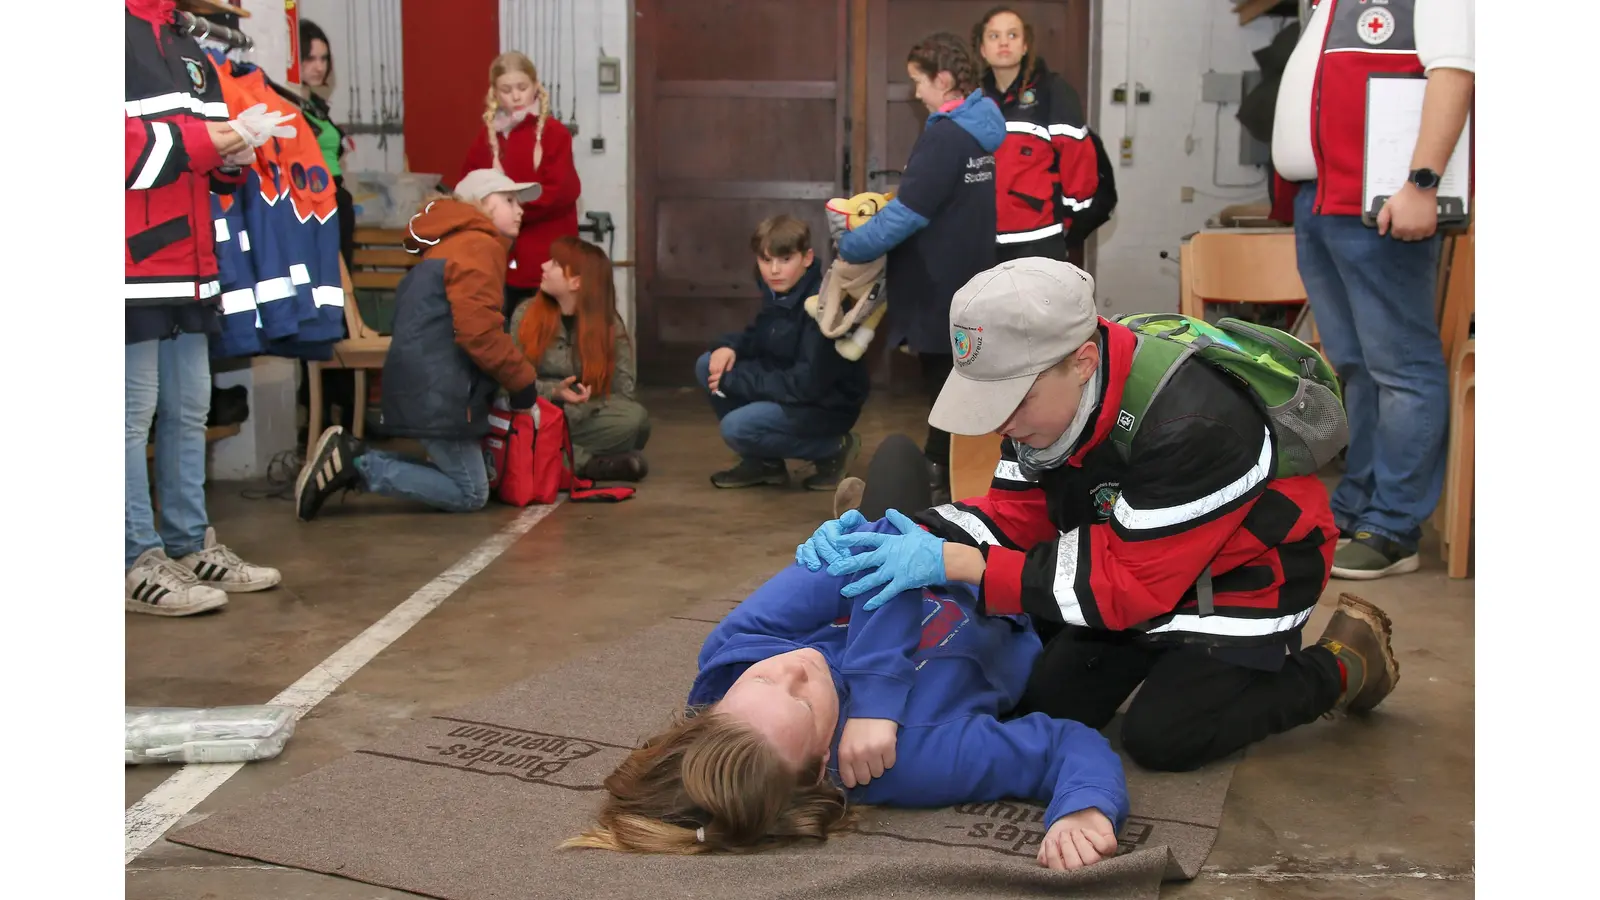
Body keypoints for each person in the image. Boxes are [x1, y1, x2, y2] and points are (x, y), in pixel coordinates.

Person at [796, 258, 1400, 773]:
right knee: (1044, 711)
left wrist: (958, 562)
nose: (1001, 424)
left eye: (1014, 400)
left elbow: (1128, 588)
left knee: (1163, 738)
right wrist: (909, 533)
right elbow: (1017, 514)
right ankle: (1157, 659)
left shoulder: (1195, 423)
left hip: (1249, 575)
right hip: (1133, 552)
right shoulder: (1044, 398)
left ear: (1083, 362)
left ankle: (1344, 663)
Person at [564, 446, 1129, 871]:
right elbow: (1061, 745)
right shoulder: (914, 761)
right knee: (1110, 613)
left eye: (763, 679)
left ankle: (863, 513)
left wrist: (876, 694)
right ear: (818, 766)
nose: (796, 666)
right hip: (1025, 622)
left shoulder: (733, 655)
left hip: (940, 555)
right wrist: (1083, 808)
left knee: (895, 465)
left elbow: (882, 548)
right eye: (802, 702)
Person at [1269, 0, 1473, 580]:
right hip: (1321, 201)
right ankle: (1357, 504)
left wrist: (1422, 183)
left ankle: (1393, 527)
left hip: (1380, 202)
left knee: (1401, 370)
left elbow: (1455, 74)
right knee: (1356, 369)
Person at [125, 0, 283, 616]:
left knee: (189, 409)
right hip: (127, 264)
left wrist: (233, 160)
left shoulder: (189, 45)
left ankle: (187, 545)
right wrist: (207, 143)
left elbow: (208, 154)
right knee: (130, 417)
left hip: (190, 264)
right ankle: (132, 558)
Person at [294, 170, 547, 520]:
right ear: (480, 205)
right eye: (509, 200)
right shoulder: (478, 245)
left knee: (465, 478)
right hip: (441, 387)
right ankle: (357, 465)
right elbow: (479, 332)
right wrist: (523, 383)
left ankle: (352, 458)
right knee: (470, 491)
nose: (520, 210)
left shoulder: (450, 243)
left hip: (425, 379)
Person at [835, 32, 1004, 507]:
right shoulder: (978, 129)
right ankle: (941, 474)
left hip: (938, 287)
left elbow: (910, 213)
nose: (914, 92)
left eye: (918, 81)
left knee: (948, 388)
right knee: (954, 387)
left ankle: (951, 490)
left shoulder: (945, 135)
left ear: (943, 79)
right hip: (966, 279)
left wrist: (853, 245)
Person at [698, 215, 870, 491]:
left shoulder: (822, 305)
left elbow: (806, 385)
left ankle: (833, 448)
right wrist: (727, 346)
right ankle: (764, 465)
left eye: (785, 259)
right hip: (792, 388)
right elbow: (759, 337)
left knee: (737, 428)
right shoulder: (781, 292)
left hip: (825, 406)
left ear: (806, 257)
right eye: (766, 260)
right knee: (709, 363)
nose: (774, 270)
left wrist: (737, 380)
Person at [510, 236, 651, 482]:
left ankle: (550, 458)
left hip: (582, 417)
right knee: (516, 425)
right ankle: (587, 463)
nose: (543, 266)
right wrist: (555, 392)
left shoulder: (609, 323)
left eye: (554, 263)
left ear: (576, 282)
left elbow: (623, 390)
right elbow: (510, 382)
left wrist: (582, 407)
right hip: (537, 411)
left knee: (636, 421)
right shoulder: (526, 314)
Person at [972, 6, 1100, 262]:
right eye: (994, 36)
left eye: (1012, 35)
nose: (1004, 43)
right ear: (983, 50)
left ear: (1025, 45)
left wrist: (1071, 219)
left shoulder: (1052, 91)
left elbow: (1078, 161)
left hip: (1036, 242)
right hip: (980, 240)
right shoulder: (973, 99)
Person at [460, 52, 582, 314]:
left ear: (536, 86)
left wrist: (507, 211)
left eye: (522, 88)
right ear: (494, 93)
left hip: (548, 262)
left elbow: (559, 192)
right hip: (501, 262)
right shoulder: (488, 137)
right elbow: (469, 189)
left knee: (547, 342)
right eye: (506, 90)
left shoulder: (554, 134)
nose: (515, 97)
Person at [297, 18, 353, 269]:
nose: (319, 66)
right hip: (315, 200)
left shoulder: (314, 105)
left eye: (324, 58)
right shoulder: (291, 105)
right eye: (310, 58)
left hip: (335, 194)